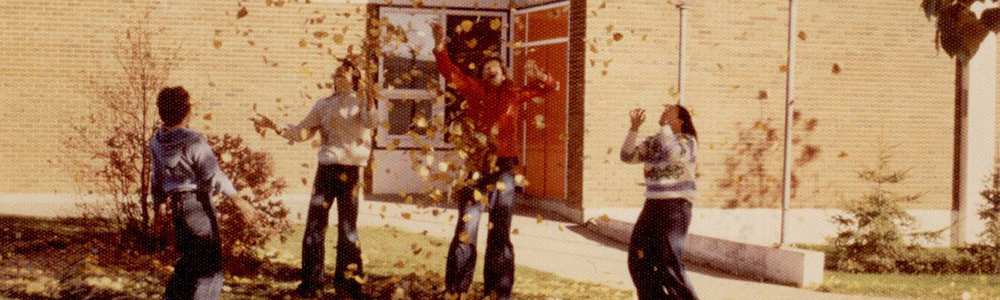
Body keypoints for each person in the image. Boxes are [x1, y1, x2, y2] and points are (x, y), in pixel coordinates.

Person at [429, 19, 557, 300]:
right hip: (475, 165)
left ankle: (498, 292)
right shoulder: (473, 89)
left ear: (503, 72)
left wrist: (539, 74)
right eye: (486, 68)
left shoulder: (514, 93)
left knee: (500, 230)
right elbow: (448, 72)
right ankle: (456, 290)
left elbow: (550, 87)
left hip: (504, 167)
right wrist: (440, 44)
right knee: (467, 226)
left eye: (494, 68)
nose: (489, 70)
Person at [252, 59, 377, 300]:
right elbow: (302, 132)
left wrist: (369, 99)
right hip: (327, 170)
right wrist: (274, 126)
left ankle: (348, 287)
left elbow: (371, 122)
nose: (339, 77)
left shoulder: (362, 103)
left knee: (348, 229)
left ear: (355, 79)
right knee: (314, 227)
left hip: (350, 172)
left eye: (345, 74)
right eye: (336, 74)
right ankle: (311, 285)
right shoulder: (324, 105)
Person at [151, 86, 257, 300]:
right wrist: (238, 200)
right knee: (211, 271)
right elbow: (213, 175)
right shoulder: (193, 140)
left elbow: (157, 179)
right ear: (186, 112)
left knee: (189, 263)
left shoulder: (157, 140)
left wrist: (158, 211)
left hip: (177, 209)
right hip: (198, 206)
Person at [620, 105, 700, 300]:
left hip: (676, 206)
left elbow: (673, 154)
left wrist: (665, 129)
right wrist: (634, 129)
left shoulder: (688, 141)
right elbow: (627, 156)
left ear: (680, 120)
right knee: (638, 258)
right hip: (652, 205)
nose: (663, 110)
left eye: (670, 110)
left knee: (668, 263)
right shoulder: (655, 140)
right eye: (663, 109)